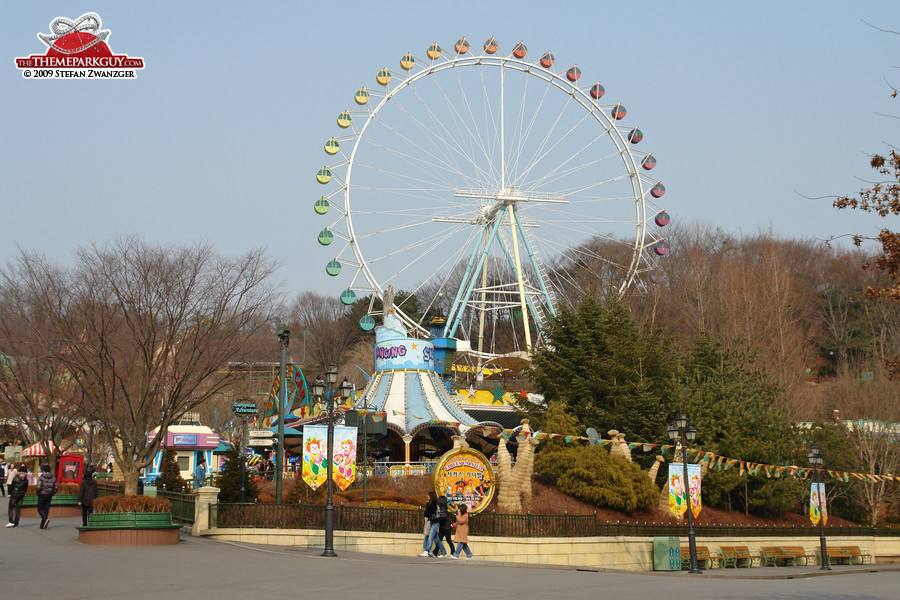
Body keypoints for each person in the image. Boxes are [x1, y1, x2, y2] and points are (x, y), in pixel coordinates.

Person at [35, 464, 58, 529]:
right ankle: (43, 524)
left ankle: (45, 519)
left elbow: (38, 487)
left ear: (43, 470)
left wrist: (38, 493)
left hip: (42, 494)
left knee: (39, 509)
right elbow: (56, 487)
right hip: (49, 494)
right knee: (46, 509)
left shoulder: (41, 478)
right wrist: (53, 493)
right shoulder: (53, 478)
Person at [418, 491, 439, 557]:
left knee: (430, 537)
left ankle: (426, 551)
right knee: (435, 538)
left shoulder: (434, 504)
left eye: (428, 496)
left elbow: (427, 513)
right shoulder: (431, 503)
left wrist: (427, 506)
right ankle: (442, 551)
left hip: (434, 521)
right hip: (431, 521)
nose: (427, 497)